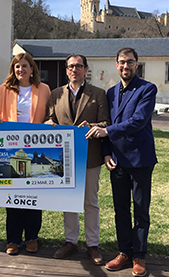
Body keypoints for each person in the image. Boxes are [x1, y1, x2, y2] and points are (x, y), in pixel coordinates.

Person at [86, 47, 157, 276]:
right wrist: (106, 153)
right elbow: (106, 123)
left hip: (140, 159)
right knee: (120, 210)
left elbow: (137, 121)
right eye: (121, 62)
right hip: (116, 160)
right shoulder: (111, 92)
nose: (125, 66)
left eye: (130, 62)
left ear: (137, 64)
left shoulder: (147, 89)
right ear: (116, 65)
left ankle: (139, 256)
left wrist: (106, 133)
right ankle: (125, 252)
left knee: (140, 209)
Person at [45, 54, 110, 265]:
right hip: (63, 157)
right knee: (68, 200)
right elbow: (50, 118)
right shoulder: (55, 94)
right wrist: (48, 124)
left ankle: (92, 244)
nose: (75, 69)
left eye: (79, 66)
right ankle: (70, 241)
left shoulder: (99, 94)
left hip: (90, 155)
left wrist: (92, 126)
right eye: (71, 66)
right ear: (66, 70)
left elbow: (106, 122)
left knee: (90, 201)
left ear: (85, 69)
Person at [0, 52, 50, 255]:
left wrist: (50, 121)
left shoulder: (43, 89)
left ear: (32, 69)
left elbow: (50, 114)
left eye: (24, 66)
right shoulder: (3, 89)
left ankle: (32, 237)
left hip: (35, 148)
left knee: (33, 197)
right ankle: (13, 239)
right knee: (13, 197)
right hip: (10, 147)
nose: (21, 69)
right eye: (17, 66)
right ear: (13, 70)